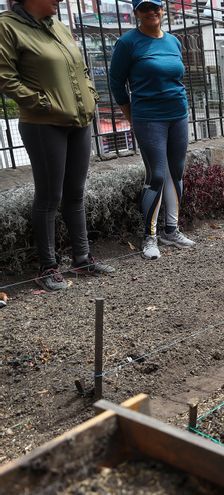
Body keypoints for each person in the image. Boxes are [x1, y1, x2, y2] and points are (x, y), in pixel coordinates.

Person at [0, 0, 115, 291]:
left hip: (79, 121)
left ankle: (82, 258)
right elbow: (5, 76)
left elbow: (82, 69)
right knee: (50, 195)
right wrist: (42, 103)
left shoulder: (59, 26)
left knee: (75, 193)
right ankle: (48, 267)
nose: (60, 0)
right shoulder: (7, 27)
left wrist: (90, 95)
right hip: (43, 124)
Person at [110, 0, 194, 261]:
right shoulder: (128, 43)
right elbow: (116, 83)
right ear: (136, 13)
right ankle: (150, 236)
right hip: (148, 118)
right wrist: (131, 116)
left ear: (161, 9)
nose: (151, 12)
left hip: (178, 114)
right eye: (144, 8)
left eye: (155, 6)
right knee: (156, 175)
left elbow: (177, 77)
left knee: (176, 172)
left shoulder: (173, 42)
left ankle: (172, 230)